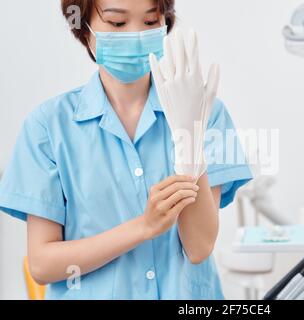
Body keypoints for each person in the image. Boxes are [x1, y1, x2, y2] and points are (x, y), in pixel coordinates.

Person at [0, 0, 253, 300]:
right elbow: (42, 264)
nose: (135, 35)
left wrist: (189, 138)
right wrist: (144, 227)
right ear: (83, 27)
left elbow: (198, 248)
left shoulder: (204, 113)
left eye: (149, 22)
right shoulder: (48, 127)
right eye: (117, 23)